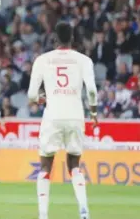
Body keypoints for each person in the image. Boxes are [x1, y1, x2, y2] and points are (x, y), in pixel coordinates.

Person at [27, 22, 98, 219]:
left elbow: (32, 95)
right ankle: (83, 210)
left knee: (45, 166)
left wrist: (43, 98)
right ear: (72, 38)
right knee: (74, 165)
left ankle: (43, 215)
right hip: (75, 115)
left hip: (53, 115)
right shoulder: (84, 60)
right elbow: (91, 90)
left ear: (55, 39)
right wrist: (93, 113)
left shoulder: (42, 60)